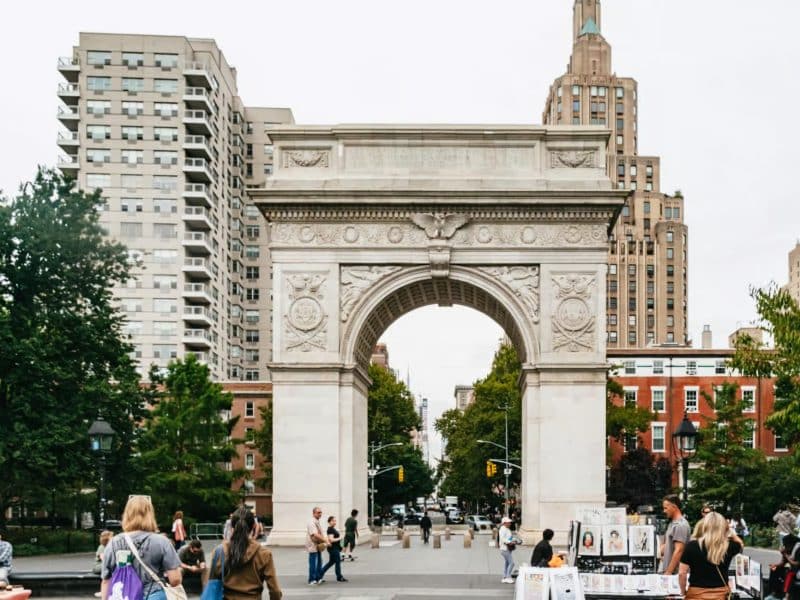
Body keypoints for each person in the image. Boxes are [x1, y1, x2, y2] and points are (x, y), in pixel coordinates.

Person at [101, 495, 182, 600]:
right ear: (150, 514)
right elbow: (175, 580)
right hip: (154, 595)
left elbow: (106, 580)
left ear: (127, 515)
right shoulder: (162, 542)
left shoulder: (114, 542)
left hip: (123, 595)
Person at [210, 506, 281, 600]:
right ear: (254, 526)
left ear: (232, 527)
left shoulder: (220, 551)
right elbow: (275, 590)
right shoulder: (264, 553)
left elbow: (212, 584)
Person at [678, 511, 744, 599]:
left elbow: (682, 573)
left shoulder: (692, 546)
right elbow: (741, 544)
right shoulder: (730, 546)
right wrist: (729, 530)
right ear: (723, 527)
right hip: (720, 595)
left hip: (696, 594)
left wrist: (683, 592)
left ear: (704, 526)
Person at [660, 494, 691, 575]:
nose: (664, 511)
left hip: (676, 574)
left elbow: (679, 550)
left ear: (674, 507)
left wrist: (668, 572)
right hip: (672, 573)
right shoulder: (672, 523)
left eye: (666, 508)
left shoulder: (680, 525)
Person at [766, 533, 800, 600]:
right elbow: (783, 563)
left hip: (798, 570)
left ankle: (786, 596)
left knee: (789, 574)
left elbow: (796, 564)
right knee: (774, 569)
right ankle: (774, 592)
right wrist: (775, 565)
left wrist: (786, 555)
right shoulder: (788, 549)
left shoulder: (798, 549)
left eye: (786, 544)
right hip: (793, 569)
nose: (784, 546)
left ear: (791, 543)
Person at [319, 516, 347, 583]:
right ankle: (339, 577)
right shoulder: (330, 529)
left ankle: (319, 575)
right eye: (333, 521)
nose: (334, 522)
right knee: (337, 562)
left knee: (331, 562)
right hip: (333, 549)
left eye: (335, 520)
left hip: (334, 548)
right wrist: (340, 538)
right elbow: (331, 540)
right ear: (329, 522)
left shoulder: (332, 529)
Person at [305, 507, 327, 585]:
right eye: (318, 512)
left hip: (317, 545)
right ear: (313, 513)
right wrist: (325, 540)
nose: (320, 514)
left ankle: (318, 578)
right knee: (313, 563)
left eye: (321, 512)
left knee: (319, 562)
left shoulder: (316, 521)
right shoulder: (311, 522)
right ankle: (311, 579)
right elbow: (315, 534)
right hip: (312, 545)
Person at [93, 530, 113, 597]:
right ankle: (103, 591)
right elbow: (103, 559)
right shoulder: (102, 547)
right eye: (111, 536)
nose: (113, 537)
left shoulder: (110, 546)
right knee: (108, 567)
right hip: (98, 566)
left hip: (104, 565)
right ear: (106, 538)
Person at [498, 516, 517, 584]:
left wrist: (514, 540)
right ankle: (508, 577)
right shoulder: (503, 529)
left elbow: (509, 538)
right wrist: (510, 542)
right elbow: (503, 539)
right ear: (504, 523)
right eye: (508, 522)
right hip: (505, 548)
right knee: (511, 563)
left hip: (507, 548)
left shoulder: (507, 529)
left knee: (507, 563)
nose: (510, 523)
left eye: (510, 522)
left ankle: (505, 576)